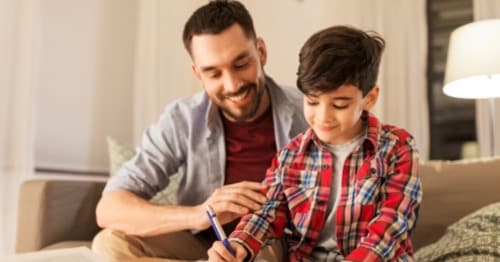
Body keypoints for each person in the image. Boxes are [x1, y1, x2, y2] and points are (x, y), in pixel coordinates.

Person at [91, 1, 308, 261]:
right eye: (213, 73)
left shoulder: (310, 112)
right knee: (110, 245)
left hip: (269, 243)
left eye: (240, 64)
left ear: (260, 52)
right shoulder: (182, 119)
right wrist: (201, 213)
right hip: (200, 243)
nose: (232, 85)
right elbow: (109, 209)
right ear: (198, 73)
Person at [208, 25, 423, 262]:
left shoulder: (398, 148)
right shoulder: (290, 156)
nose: (323, 117)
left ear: (369, 98)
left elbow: (393, 225)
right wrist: (240, 243)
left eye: (339, 105)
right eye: (312, 102)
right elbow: (267, 212)